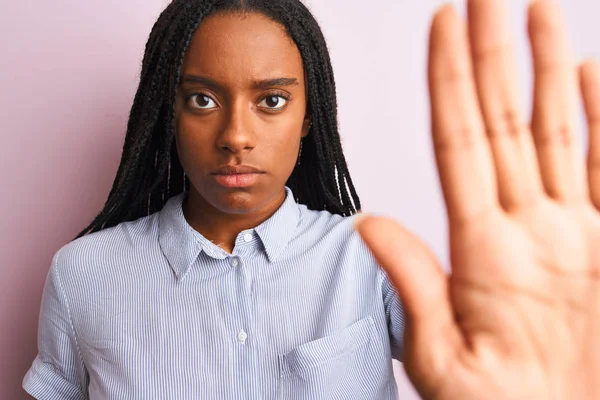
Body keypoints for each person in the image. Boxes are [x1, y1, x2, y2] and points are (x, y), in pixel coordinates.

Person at [23, 0, 600, 399]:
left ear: (307, 118)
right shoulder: (83, 275)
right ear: (164, 113)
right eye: (201, 100)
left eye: (271, 101)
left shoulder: (370, 259)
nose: (236, 136)